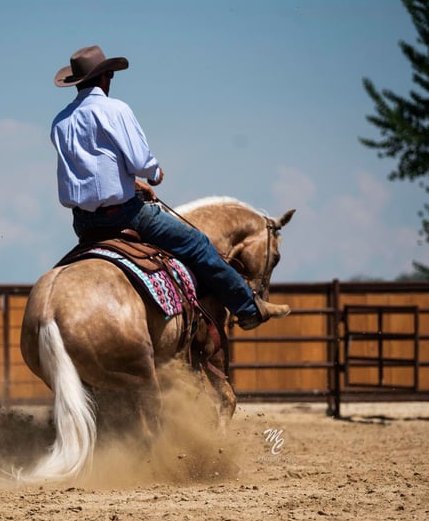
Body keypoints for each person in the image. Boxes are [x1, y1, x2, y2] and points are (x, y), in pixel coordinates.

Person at [50, 45, 277, 330]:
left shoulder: (60, 122)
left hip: (84, 224)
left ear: (77, 82)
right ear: (106, 77)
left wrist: (132, 183)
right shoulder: (115, 110)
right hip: (126, 214)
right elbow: (139, 160)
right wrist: (153, 174)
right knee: (198, 245)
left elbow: (89, 171)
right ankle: (247, 309)